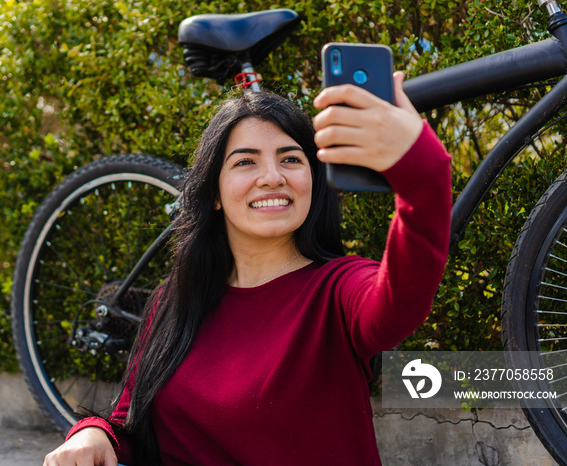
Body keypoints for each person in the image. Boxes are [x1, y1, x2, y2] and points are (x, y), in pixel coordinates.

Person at [43, 71, 452, 465]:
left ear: (314, 178)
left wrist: (421, 169)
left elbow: (401, 302)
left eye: (291, 159)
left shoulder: (340, 290)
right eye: (245, 163)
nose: (272, 178)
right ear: (215, 192)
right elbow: (129, 425)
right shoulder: (177, 296)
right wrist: (94, 432)